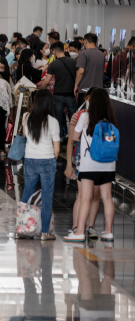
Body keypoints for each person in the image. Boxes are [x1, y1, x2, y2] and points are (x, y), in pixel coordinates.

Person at [64, 89, 117, 243]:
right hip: (108, 165)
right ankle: (108, 232)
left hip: (89, 164)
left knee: (85, 197)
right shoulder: (111, 119)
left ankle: (80, 231)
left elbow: (75, 137)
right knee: (106, 198)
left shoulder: (86, 116)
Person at [17, 89, 60, 241]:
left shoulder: (26, 117)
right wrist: (52, 162)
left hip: (30, 160)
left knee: (27, 191)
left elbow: (24, 137)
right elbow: (57, 149)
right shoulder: (53, 122)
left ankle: (22, 228)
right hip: (47, 160)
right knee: (47, 196)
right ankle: (45, 233)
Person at [64, 87, 101, 240]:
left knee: (95, 195)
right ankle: (76, 226)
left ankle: (90, 226)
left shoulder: (103, 116)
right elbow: (71, 140)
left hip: (99, 159)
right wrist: (68, 164)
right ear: (86, 99)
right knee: (83, 194)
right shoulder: (78, 115)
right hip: (82, 157)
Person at [39, 41, 77, 139]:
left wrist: (39, 91)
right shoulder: (74, 62)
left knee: (57, 119)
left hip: (58, 95)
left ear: (54, 51)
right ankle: (73, 138)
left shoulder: (53, 64)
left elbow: (47, 81)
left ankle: (58, 139)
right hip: (71, 94)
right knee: (73, 117)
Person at [74, 33, 105, 108]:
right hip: (98, 91)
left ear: (86, 41)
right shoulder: (102, 55)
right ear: (96, 42)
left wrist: (76, 85)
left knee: (83, 114)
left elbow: (81, 72)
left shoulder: (84, 53)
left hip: (85, 90)